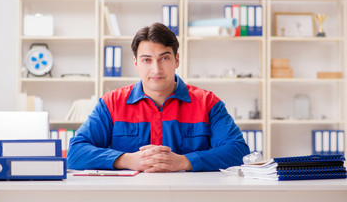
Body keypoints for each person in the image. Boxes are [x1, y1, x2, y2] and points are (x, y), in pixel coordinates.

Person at [67, 22, 250, 172]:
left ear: (176, 60)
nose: (156, 69)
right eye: (147, 60)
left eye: (164, 58)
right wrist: (127, 160)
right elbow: (75, 153)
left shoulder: (208, 103)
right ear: (136, 63)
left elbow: (238, 151)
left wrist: (185, 161)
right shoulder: (112, 103)